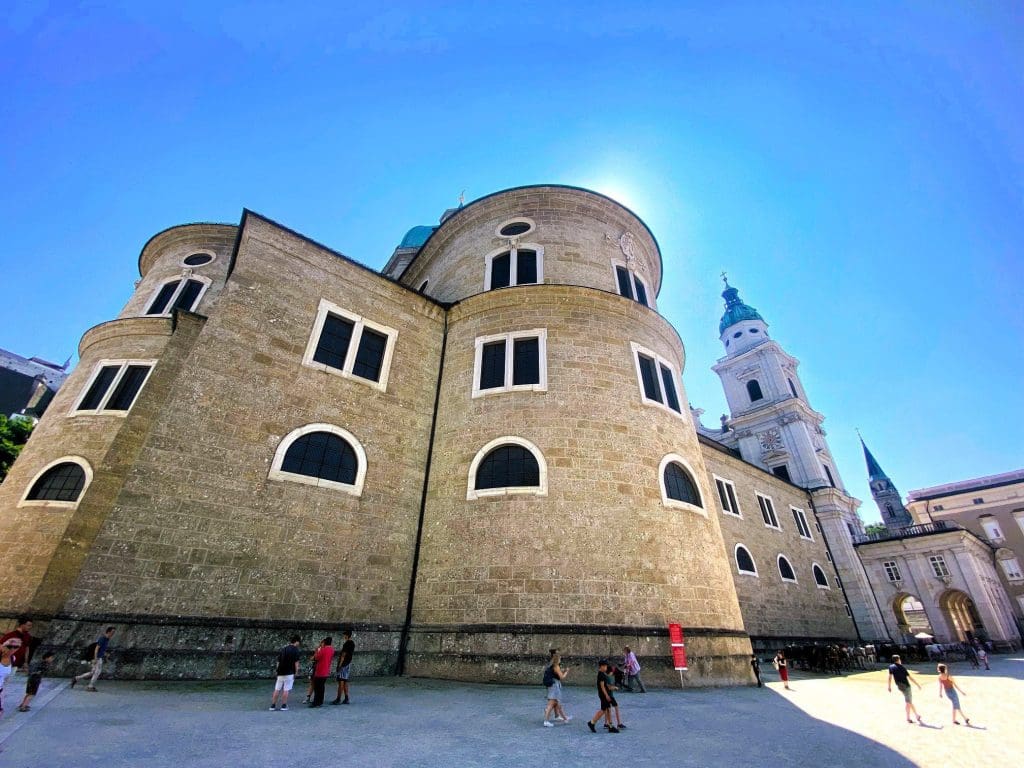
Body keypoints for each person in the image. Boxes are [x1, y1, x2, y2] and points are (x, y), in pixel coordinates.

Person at [72, 626, 115, 692]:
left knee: (92, 672)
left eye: (114, 632)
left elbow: (102, 649)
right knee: (97, 672)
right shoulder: (102, 639)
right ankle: (90, 686)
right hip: (97, 658)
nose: (113, 634)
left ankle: (76, 678)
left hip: (99, 657)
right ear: (108, 632)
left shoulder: (107, 639)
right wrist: (95, 659)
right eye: (112, 632)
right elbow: (96, 649)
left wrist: (105, 654)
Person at [887, 654, 923, 724]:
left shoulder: (891, 667)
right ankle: (908, 718)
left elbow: (890, 677)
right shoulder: (902, 667)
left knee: (909, 701)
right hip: (906, 686)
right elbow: (910, 678)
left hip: (900, 686)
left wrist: (889, 686)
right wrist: (917, 684)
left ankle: (917, 715)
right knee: (908, 702)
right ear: (899, 659)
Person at [586, 660, 620, 734]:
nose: (606, 668)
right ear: (601, 666)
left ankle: (610, 726)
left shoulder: (602, 673)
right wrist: (606, 695)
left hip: (603, 694)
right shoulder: (601, 675)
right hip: (603, 695)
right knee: (603, 710)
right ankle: (592, 722)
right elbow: (602, 687)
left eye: (606, 666)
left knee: (607, 709)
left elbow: (605, 686)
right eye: (605, 666)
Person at [270, 636, 301, 711]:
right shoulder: (296, 650)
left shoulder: (284, 649)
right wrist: (296, 672)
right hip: (289, 672)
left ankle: (273, 705)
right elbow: (296, 663)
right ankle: (284, 705)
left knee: (277, 689)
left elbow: (278, 661)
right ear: (296, 641)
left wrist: (278, 670)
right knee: (286, 689)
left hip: (280, 671)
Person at [542, 651, 571, 726]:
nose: (561, 659)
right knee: (551, 704)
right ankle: (546, 721)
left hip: (551, 685)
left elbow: (557, 674)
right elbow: (562, 677)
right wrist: (567, 672)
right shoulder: (556, 666)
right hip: (554, 686)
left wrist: (562, 671)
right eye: (560, 658)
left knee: (556, 703)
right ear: (558, 659)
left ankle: (558, 716)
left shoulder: (552, 666)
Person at [331, 629, 355, 705]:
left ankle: (338, 698)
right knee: (345, 681)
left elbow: (343, 655)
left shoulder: (346, 644)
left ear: (347, 635)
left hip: (344, 664)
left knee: (341, 681)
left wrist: (340, 665)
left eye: (345, 635)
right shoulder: (352, 643)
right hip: (348, 663)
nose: (344, 636)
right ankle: (346, 698)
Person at [309, 637, 333, 707]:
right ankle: (320, 701)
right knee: (322, 687)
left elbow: (316, 657)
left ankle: (316, 702)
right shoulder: (331, 650)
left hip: (319, 670)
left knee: (317, 688)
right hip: (326, 670)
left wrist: (318, 650)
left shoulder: (323, 650)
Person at [0, 638, 20, 716]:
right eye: (9, 646)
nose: (12, 649)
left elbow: (6, 676)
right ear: (4, 646)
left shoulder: (12, 658)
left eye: (16, 647)